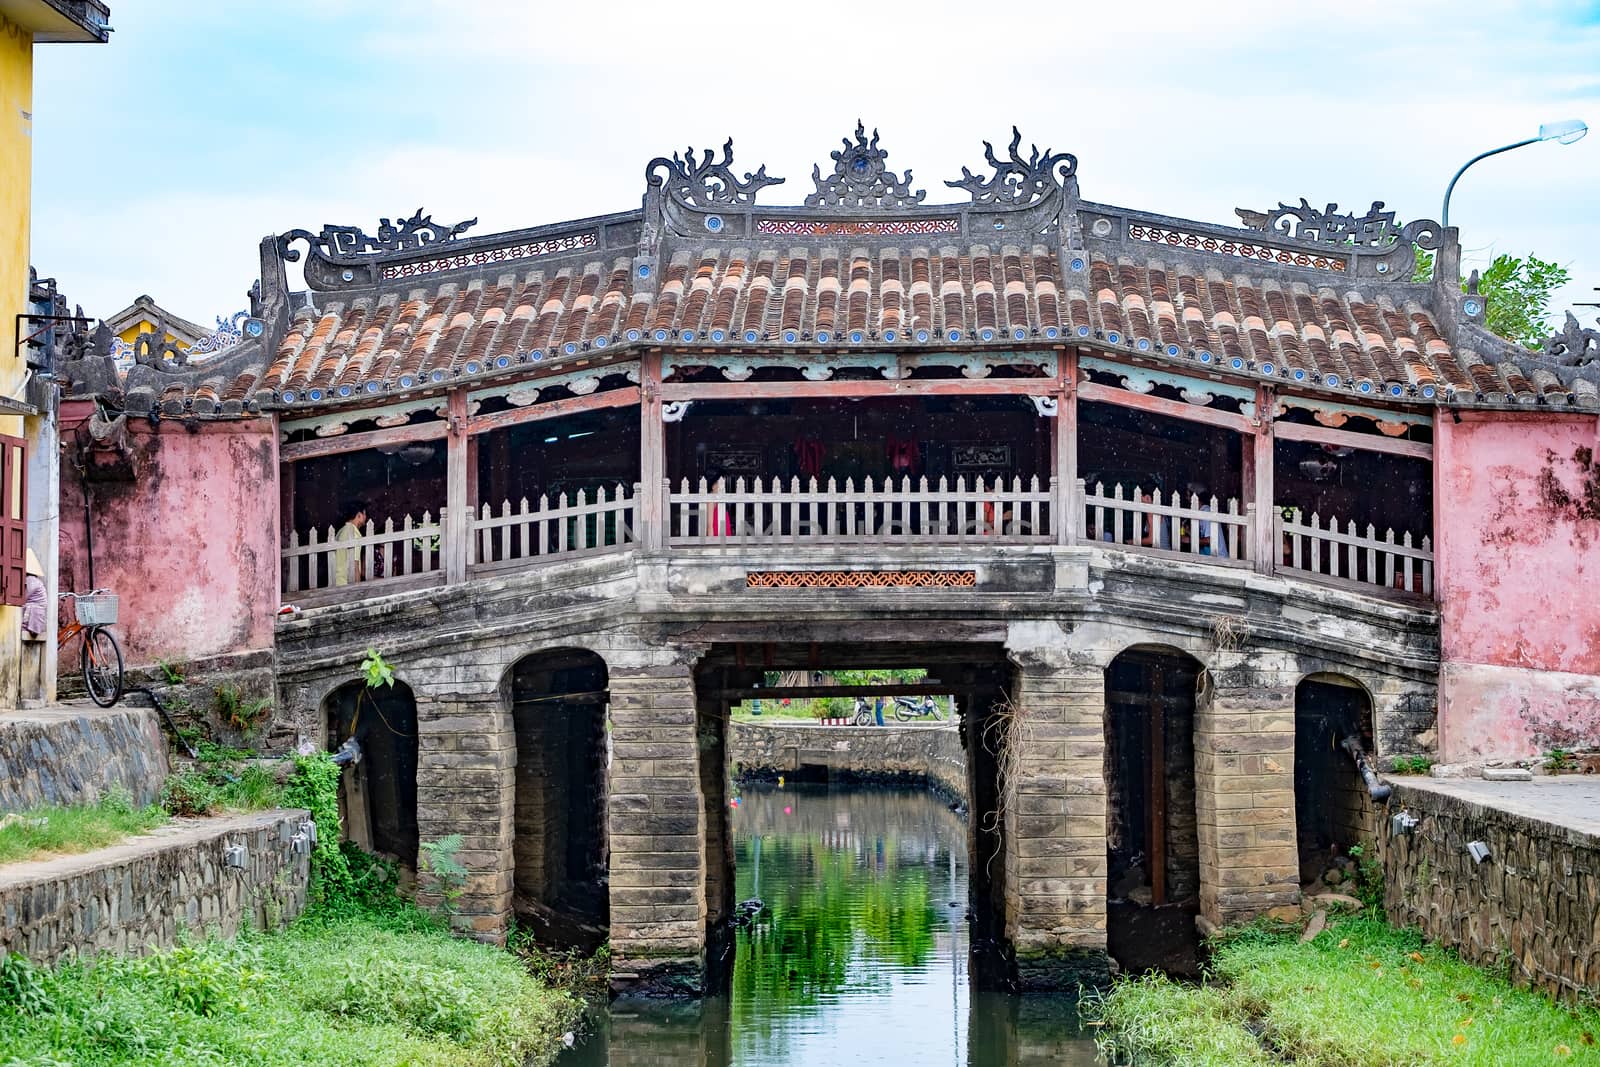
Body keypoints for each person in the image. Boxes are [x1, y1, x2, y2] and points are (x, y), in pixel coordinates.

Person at [332, 500, 369, 587]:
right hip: (347, 583)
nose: (365, 517)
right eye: (364, 514)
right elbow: (354, 563)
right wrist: (357, 588)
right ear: (359, 515)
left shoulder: (342, 531)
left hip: (336, 582)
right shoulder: (354, 534)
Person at [21, 549, 45, 638]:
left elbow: (23, 598)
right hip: (35, 611)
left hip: (33, 611)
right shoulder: (34, 580)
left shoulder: (31, 580)